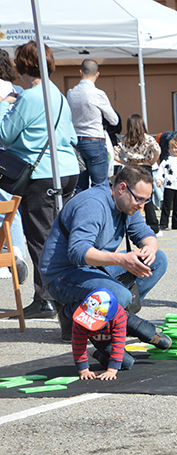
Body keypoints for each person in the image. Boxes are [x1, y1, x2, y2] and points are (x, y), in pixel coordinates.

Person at [40, 165, 172, 352]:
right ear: (122, 188)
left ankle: (113, 319)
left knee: (157, 260)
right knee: (121, 295)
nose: (142, 206)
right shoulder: (93, 204)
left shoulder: (127, 204)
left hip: (93, 267)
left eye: (146, 200)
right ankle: (72, 312)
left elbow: (146, 235)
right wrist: (121, 260)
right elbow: (78, 252)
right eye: (139, 199)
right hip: (63, 274)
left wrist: (150, 248)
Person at [0, 41, 80, 319]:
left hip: (41, 174)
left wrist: (3, 106)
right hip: (66, 169)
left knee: (41, 241)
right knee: (58, 236)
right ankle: (48, 296)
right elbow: (71, 136)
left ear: (22, 66)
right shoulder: (57, 93)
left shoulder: (30, 96)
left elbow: (4, 134)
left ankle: (51, 299)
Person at [67, 59, 119, 192]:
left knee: (80, 187)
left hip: (76, 142)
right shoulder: (98, 94)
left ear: (80, 72)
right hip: (94, 141)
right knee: (99, 186)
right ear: (97, 74)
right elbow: (114, 120)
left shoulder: (71, 93)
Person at [0, 49, 27, 283]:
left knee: (6, 209)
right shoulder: (18, 91)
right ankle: (16, 254)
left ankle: (14, 256)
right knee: (11, 207)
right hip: (15, 157)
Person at [114, 114, 161, 235]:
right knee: (146, 198)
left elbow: (115, 153)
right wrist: (152, 161)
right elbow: (157, 150)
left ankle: (128, 225)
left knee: (131, 196)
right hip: (145, 166)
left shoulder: (125, 139)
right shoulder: (147, 138)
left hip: (131, 167)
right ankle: (154, 227)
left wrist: (125, 162)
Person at [71, 288, 130, 380]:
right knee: (126, 363)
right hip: (102, 336)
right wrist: (83, 370)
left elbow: (118, 343)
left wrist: (112, 371)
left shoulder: (118, 316)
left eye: (94, 322)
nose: (89, 324)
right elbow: (78, 344)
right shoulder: (81, 318)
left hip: (124, 322)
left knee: (145, 331)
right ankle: (96, 352)